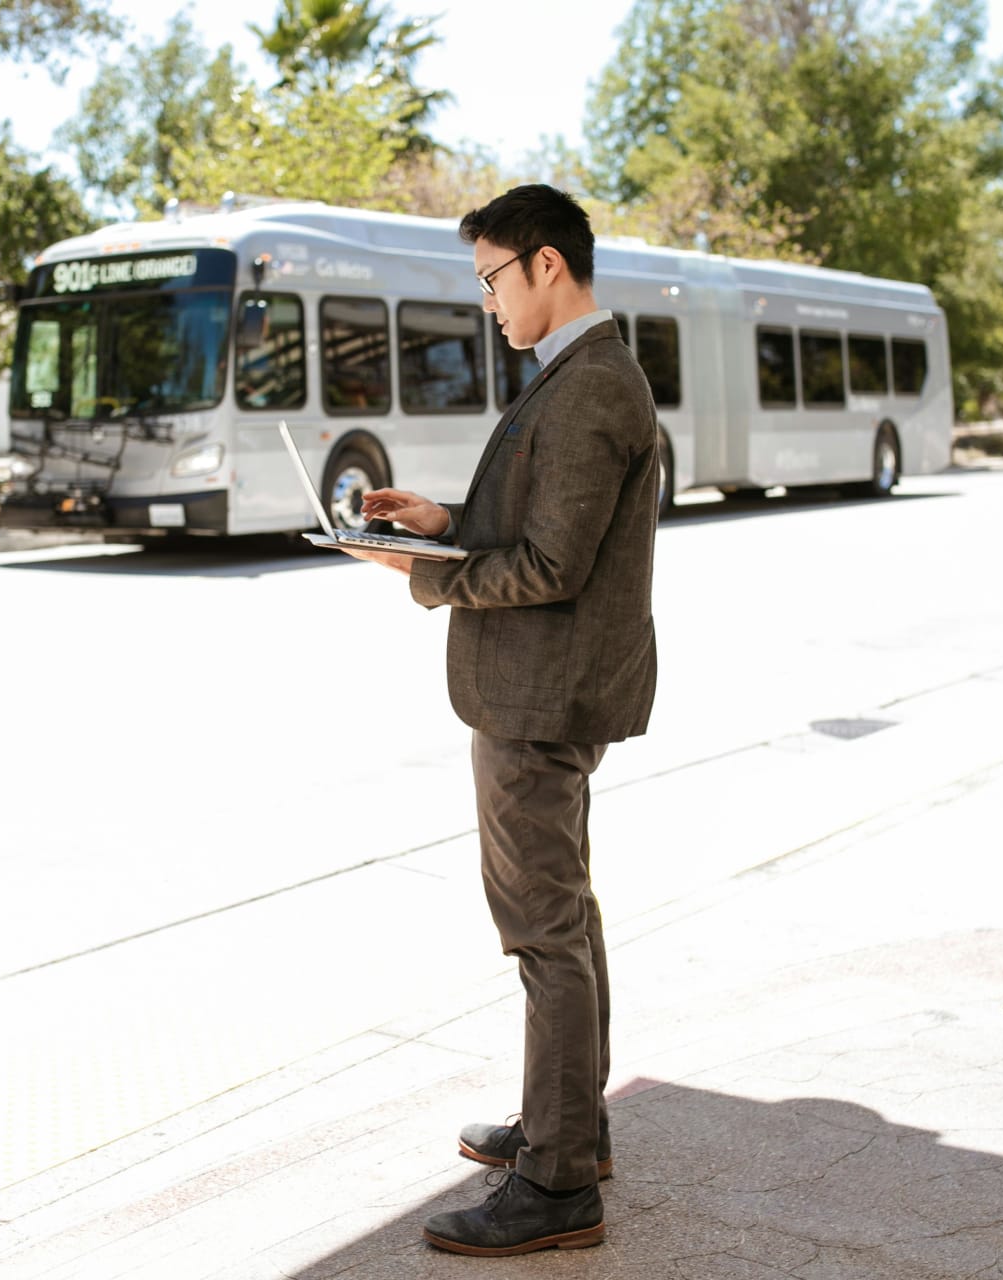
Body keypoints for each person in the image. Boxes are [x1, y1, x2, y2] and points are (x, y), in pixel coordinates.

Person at [337, 184, 659, 1256]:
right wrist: (446, 520)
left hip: (539, 695)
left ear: (546, 265)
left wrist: (425, 572)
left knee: (542, 931)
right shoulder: (579, 374)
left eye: (491, 279)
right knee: (567, 916)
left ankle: (558, 1182)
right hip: (546, 688)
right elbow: (540, 523)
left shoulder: (590, 384)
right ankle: (572, 1125)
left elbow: (553, 565)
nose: (487, 301)